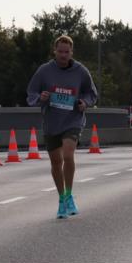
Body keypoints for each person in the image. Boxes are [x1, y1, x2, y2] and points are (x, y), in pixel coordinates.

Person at [26, 35, 98, 218]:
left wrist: (85, 102)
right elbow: (31, 92)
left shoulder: (80, 71)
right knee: (56, 162)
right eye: (60, 51)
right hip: (52, 121)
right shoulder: (44, 71)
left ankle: (69, 195)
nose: (63, 55)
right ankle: (62, 198)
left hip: (72, 119)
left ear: (71, 52)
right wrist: (39, 98)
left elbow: (92, 93)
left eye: (67, 52)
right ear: (55, 51)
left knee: (68, 154)